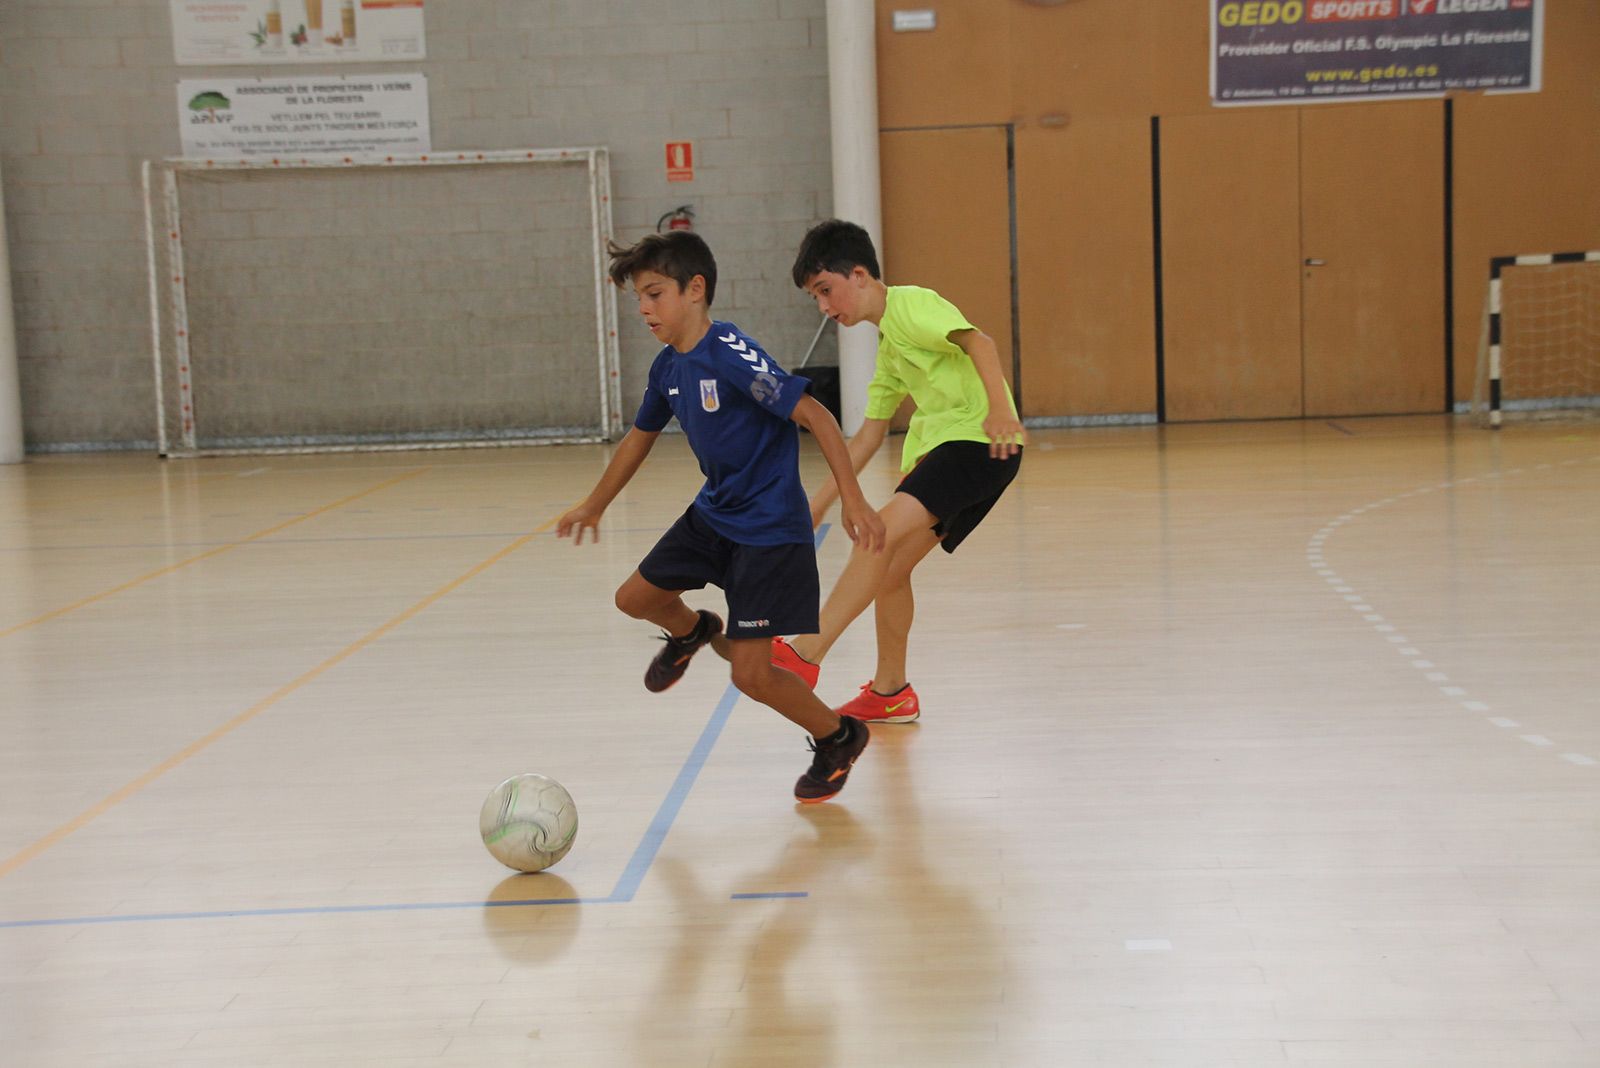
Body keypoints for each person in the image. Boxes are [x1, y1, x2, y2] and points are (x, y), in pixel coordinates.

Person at [556, 230, 887, 804]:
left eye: (655, 294)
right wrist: (594, 503)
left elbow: (816, 415)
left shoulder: (730, 353)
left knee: (751, 676)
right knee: (633, 599)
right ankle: (693, 630)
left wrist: (852, 498)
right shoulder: (667, 369)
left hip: (769, 531)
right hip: (716, 513)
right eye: (639, 298)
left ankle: (839, 735)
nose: (644, 309)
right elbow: (640, 437)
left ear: (695, 289)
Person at [769, 219, 1024, 723]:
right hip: (957, 454)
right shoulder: (888, 349)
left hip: (975, 442)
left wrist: (1000, 410)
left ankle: (806, 653)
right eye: (815, 298)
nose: (824, 307)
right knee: (890, 570)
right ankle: (891, 692)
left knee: (876, 538)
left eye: (826, 290)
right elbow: (866, 437)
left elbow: (981, 343)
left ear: (859, 275)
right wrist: (817, 504)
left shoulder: (911, 305)